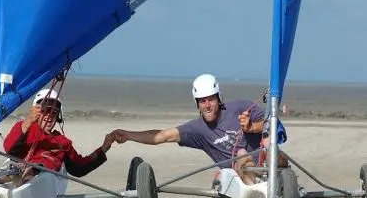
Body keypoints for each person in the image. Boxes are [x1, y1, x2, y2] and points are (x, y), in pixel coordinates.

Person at [110, 74, 287, 185]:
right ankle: (258, 188)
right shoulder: (197, 129)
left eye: (211, 99)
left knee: (270, 144)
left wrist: (251, 127)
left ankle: (276, 180)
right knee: (241, 153)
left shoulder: (239, 107)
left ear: (219, 99)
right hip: (240, 172)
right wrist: (128, 135)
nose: (207, 105)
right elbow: (162, 136)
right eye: (202, 101)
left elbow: (271, 122)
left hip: (267, 162)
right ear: (197, 103)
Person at [2, 88, 115, 185]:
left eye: (54, 113)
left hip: (42, 179)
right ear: (36, 112)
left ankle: (26, 175)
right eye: (45, 111)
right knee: (13, 168)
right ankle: (4, 180)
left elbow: (79, 168)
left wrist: (103, 148)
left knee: (36, 168)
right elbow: (9, 149)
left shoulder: (62, 141)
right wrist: (28, 120)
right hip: (17, 170)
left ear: (58, 117)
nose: (49, 116)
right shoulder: (25, 127)